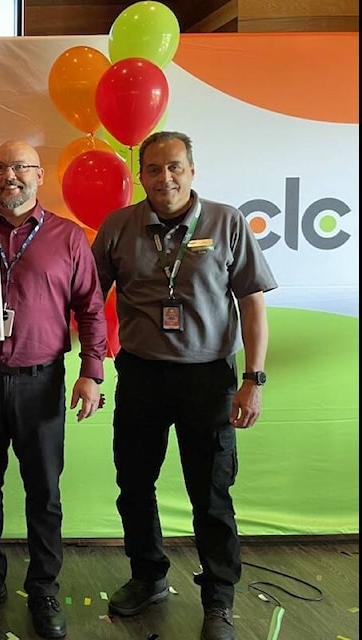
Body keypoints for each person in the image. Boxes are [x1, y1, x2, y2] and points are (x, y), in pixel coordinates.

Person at [91, 131, 277, 640]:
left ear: (191, 170)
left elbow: (253, 303)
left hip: (209, 379)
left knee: (212, 493)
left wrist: (253, 379)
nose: (164, 178)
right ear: (141, 174)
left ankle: (219, 600)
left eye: (174, 167)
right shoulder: (118, 226)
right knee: (133, 486)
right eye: (153, 169)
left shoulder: (226, 221)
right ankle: (148, 577)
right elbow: (86, 299)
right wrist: (88, 366)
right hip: (142, 376)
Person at [0, 140, 108, 639]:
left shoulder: (68, 238)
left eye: (21, 167)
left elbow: (91, 310)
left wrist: (92, 373)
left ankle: (45, 588)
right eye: (2, 167)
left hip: (42, 384)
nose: (11, 175)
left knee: (45, 494)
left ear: (39, 177)